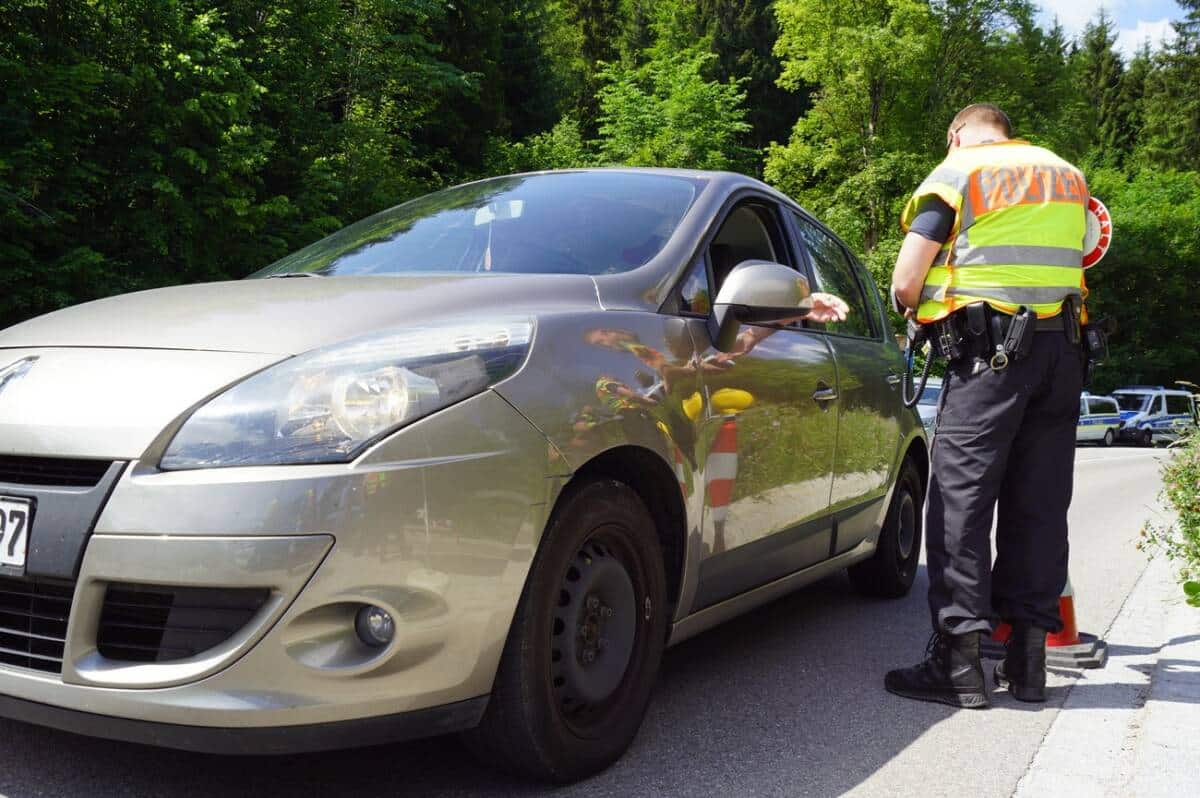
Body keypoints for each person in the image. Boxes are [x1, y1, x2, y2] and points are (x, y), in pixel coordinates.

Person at [885, 103, 1089, 708]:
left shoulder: (959, 172)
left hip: (989, 359)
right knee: (1039, 505)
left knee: (961, 503)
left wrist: (913, 311)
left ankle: (957, 665)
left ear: (957, 134)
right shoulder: (1067, 174)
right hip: (1063, 356)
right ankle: (1028, 664)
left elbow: (906, 280)